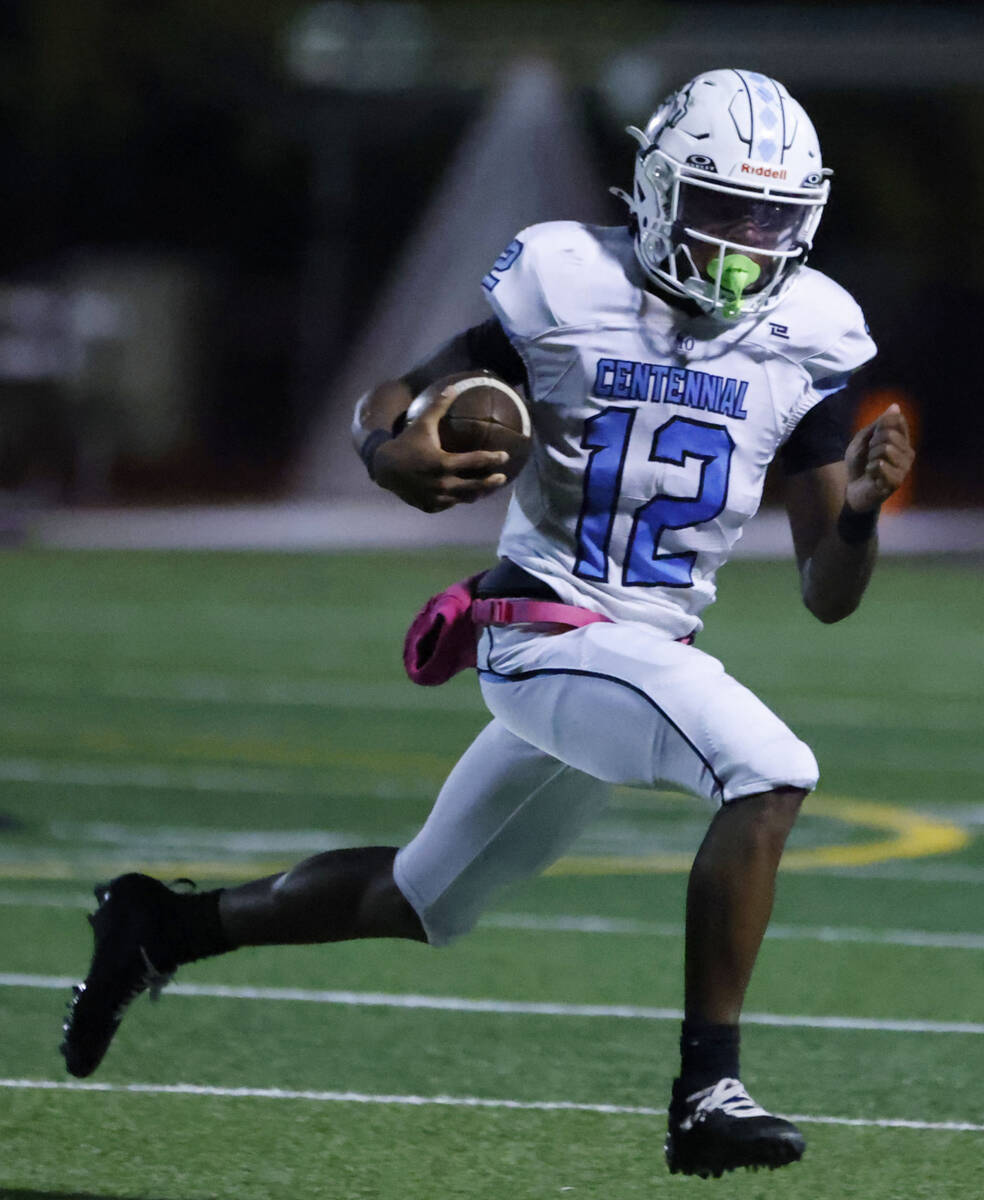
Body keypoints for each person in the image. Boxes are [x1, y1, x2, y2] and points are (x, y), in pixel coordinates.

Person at [62, 68, 914, 1178]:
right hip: (545, 633)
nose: (745, 243)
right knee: (767, 768)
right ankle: (706, 1089)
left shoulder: (806, 336)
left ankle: (159, 927)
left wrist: (854, 514)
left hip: (639, 659)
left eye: (771, 218)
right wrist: (390, 450)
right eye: (720, 208)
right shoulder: (569, 281)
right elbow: (393, 399)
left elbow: (825, 594)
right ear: (656, 191)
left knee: (419, 897)